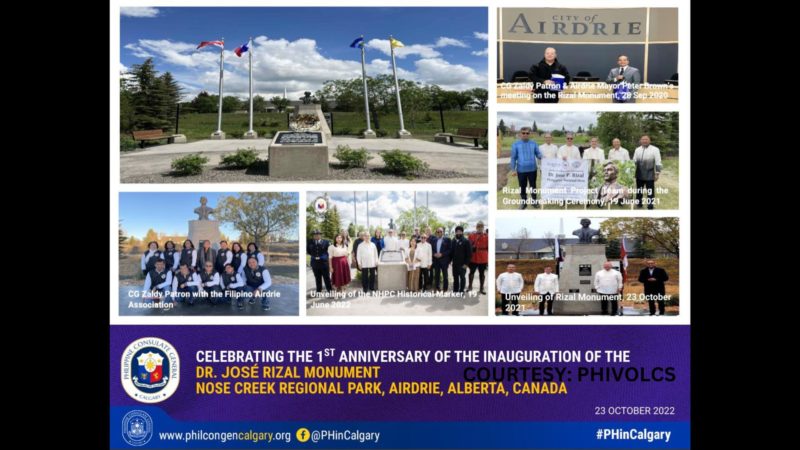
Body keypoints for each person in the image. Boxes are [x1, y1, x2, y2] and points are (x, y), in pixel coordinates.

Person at [509, 126, 544, 210]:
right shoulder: (515, 144)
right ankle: (523, 203)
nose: (525, 135)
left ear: (530, 134)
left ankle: (534, 202)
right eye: (523, 133)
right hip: (521, 170)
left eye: (527, 133)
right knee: (522, 187)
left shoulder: (534, 143)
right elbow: (513, 158)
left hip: (533, 169)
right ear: (520, 134)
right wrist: (513, 169)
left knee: (533, 186)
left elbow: (538, 154)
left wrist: (542, 157)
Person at [633, 135, 662, 210]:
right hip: (639, 174)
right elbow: (634, 161)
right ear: (640, 141)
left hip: (650, 174)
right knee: (639, 190)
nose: (644, 141)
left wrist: (657, 173)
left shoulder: (655, 149)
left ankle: (650, 206)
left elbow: (658, 162)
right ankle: (639, 204)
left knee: (650, 191)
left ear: (649, 141)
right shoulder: (637, 150)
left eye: (646, 139)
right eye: (643, 139)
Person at [450, 226, 472, 293]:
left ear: (462, 232)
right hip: (455, 264)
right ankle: (455, 290)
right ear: (456, 232)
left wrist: (466, 264)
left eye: (460, 231)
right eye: (457, 231)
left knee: (462, 278)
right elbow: (451, 252)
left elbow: (469, 254)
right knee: (455, 277)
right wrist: (450, 261)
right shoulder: (453, 240)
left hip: (463, 264)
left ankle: (461, 290)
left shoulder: (466, 241)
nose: (458, 232)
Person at [468, 221, 489, 294]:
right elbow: (468, 245)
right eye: (479, 227)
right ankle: (470, 286)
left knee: (482, 273)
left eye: (481, 227)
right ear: (476, 227)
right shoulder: (471, 235)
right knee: (471, 272)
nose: (480, 228)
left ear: (483, 227)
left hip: (483, 257)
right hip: (473, 256)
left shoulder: (487, 236)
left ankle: (481, 288)